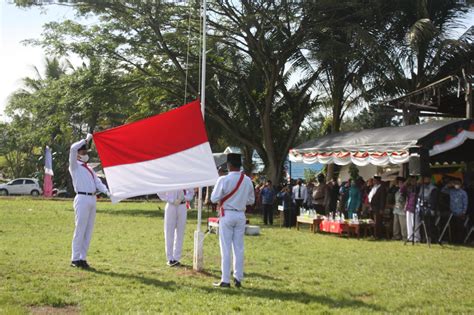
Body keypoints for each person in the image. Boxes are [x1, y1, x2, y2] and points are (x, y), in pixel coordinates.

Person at [211, 153, 255, 288]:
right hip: (240, 214)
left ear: (229, 165)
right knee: (239, 248)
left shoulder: (223, 180)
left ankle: (225, 279)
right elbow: (251, 200)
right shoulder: (247, 180)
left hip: (227, 214)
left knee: (225, 248)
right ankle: (238, 277)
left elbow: (213, 198)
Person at [69, 133, 110, 269]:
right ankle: (75, 258)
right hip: (81, 198)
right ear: (78, 154)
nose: (85, 152)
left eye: (85, 150)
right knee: (80, 229)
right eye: (83, 150)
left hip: (92, 198)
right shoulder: (74, 165)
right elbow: (73, 148)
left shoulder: (89, 168)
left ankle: (82, 258)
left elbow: (98, 183)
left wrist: (108, 192)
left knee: (88, 230)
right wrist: (86, 140)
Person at [157, 189, 194, 267]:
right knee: (169, 232)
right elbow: (160, 192)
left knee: (180, 232)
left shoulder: (186, 179)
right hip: (171, 205)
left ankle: (177, 258)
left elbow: (191, 193)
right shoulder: (170, 179)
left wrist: (185, 198)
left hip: (182, 206)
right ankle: (170, 258)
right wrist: (171, 200)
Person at [441, 178, 468, 243]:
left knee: (459, 228)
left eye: (458, 183)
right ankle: (453, 240)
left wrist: (464, 212)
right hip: (452, 212)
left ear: (461, 184)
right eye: (455, 183)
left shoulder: (463, 193)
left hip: (460, 213)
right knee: (452, 227)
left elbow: (465, 203)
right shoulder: (451, 191)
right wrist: (448, 185)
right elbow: (443, 190)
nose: (456, 185)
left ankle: (460, 241)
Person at [392, 176, 407, 241]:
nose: (399, 184)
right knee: (396, 224)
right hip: (396, 209)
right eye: (399, 183)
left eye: (401, 183)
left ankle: (404, 237)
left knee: (403, 224)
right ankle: (396, 236)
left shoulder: (405, 190)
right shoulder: (397, 190)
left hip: (402, 209)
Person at [405, 176, 419, 242]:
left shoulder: (418, 187)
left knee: (415, 223)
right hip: (409, 207)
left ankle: (416, 238)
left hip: (415, 207)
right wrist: (407, 181)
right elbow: (402, 190)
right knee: (409, 223)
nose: (412, 182)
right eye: (411, 180)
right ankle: (409, 237)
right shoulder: (409, 188)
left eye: (414, 180)